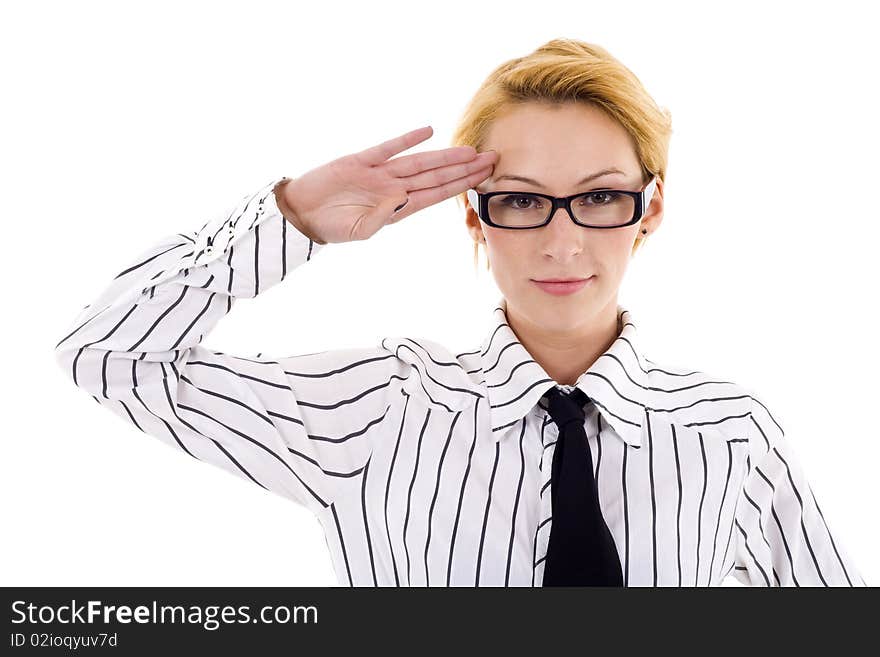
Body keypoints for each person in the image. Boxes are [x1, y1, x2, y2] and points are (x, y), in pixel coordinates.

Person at [53, 38, 865, 587]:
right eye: (520, 200)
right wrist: (290, 218)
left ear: (649, 210)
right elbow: (108, 356)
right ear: (474, 214)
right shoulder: (381, 408)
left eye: (601, 198)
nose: (562, 242)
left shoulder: (730, 433)